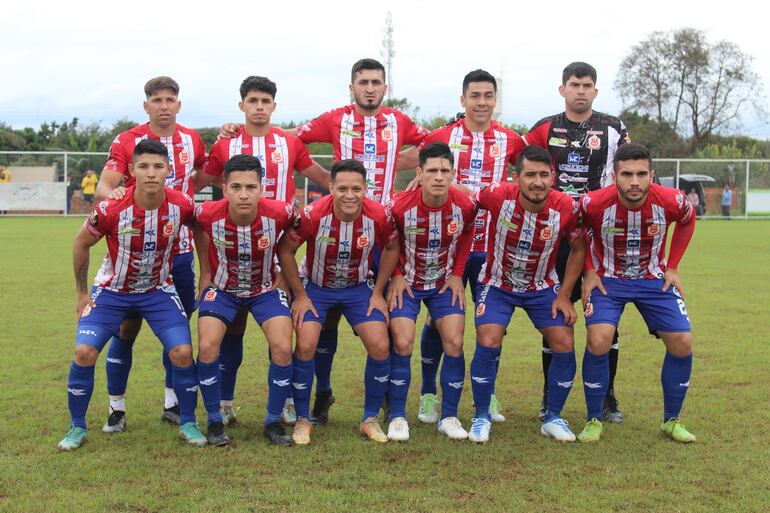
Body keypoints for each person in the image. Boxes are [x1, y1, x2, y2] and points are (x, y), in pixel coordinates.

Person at [193, 75, 330, 426]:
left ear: (274, 105)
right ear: (242, 106)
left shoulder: (290, 142)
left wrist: (351, 186)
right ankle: (224, 402)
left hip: (276, 249)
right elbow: (202, 181)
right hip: (233, 250)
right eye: (252, 101)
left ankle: (282, 403)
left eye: (265, 101)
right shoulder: (226, 144)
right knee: (231, 329)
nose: (259, 107)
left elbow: (320, 175)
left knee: (281, 333)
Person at [398, 69, 525, 425]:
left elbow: (537, 170)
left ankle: (489, 393)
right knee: (438, 321)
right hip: (446, 246)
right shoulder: (442, 135)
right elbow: (410, 159)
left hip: (494, 248)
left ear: (495, 100)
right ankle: (427, 395)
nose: (481, 102)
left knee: (491, 327)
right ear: (463, 100)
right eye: (475, 96)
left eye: (488, 96)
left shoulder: (512, 140)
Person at [58, 139, 202, 451]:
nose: (151, 173)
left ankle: (188, 421)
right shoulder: (111, 208)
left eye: (158, 166)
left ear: (168, 171)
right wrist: (82, 293)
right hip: (111, 293)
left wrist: (205, 276)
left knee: (182, 352)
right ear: (132, 171)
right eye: (144, 166)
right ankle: (77, 427)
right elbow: (81, 243)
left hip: (157, 291)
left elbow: (201, 229)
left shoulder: (182, 205)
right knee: (84, 353)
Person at [96, 76, 207, 432]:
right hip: (135, 252)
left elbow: (204, 175)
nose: (163, 105)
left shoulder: (192, 139)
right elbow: (105, 184)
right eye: (156, 99)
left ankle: (172, 402)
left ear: (178, 104)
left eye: (169, 99)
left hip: (180, 253)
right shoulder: (127, 140)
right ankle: (117, 408)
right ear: (146, 106)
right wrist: (111, 197)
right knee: (125, 331)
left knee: (176, 329)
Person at [523, 62, 629, 422]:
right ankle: (549, 395)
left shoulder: (613, 128)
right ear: (562, 89)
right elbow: (521, 170)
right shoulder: (544, 128)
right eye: (574, 84)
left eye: (587, 85)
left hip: (602, 237)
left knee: (605, 320)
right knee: (555, 313)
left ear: (595, 91)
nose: (580, 90)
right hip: (557, 235)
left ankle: (606, 396)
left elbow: (633, 171)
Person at [578, 143, 696, 443]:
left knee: (682, 342)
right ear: (614, 176)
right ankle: (594, 418)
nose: (634, 181)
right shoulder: (593, 203)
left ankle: (671, 420)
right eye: (627, 174)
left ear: (651, 175)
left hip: (654, 280)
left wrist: (673, 265)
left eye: (641, 174)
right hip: (608, 281)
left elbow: (687, 219)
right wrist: (590, 269)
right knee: (599, 339)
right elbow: (577, 228)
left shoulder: (671, 200)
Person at [468, 146, 586, 443]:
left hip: (542, 287)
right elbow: (464, 200)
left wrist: (565, 295)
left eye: (544, 175)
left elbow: (579, 249)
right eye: (530, 174)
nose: (537, 182)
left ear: (553, 177)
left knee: (564, 339)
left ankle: (553, 417)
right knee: (489, 337)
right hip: (497, 284)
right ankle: (481, 415)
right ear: (516, 177)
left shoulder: (566, 207)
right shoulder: (498, 195)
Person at [276, 159, 396, 445]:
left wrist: (378, 291)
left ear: (366, 188)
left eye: (356, 188)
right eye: (342, 188)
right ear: (330, 187)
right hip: (317, 288)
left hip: (358, 288)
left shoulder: (378, 215)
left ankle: (370, 418)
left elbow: (392, 247)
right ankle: (303, 419)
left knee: (380, 344)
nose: (350, 195)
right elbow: (286, 250)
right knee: (305, 344)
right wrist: (301, 295)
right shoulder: (312, 213)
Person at [193, 154, 300, 446]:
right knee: (207, 345)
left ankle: (272, 421)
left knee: (281, 345)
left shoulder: (281, 212)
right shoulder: (206, 213)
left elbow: (297, 236)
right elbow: (197, 231)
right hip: (223, 289)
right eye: (236, 186)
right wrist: (204, 273)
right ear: (224, 187)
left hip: (264, 290)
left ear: (261, 187)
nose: (243, 194)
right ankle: (215, 420)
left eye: (251, 187)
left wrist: (284, 277)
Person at [385, 143, 476, 441]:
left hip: (442, 283)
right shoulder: (399, 206)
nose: (439, 177)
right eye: (432, 171)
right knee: (402, 341)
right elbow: (386, 244)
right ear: (419, 173)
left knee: (454, 340)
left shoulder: (464, 205)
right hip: (407, 283)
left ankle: (448, 416)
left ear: (453, 174)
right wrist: (396, 275)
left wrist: (458, 274)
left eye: (445, 171)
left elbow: (467, 235)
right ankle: (397, 415)